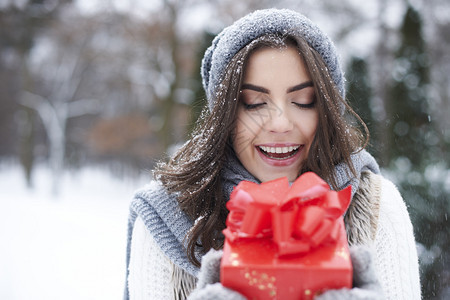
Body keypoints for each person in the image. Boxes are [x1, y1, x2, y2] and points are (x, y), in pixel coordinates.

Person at [124, 8, 421, 300]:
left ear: (327, 111)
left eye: (303, 101)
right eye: (254, 102)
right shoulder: (165, 215)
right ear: (224, 115)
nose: (279, 124)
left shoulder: (374, 206)